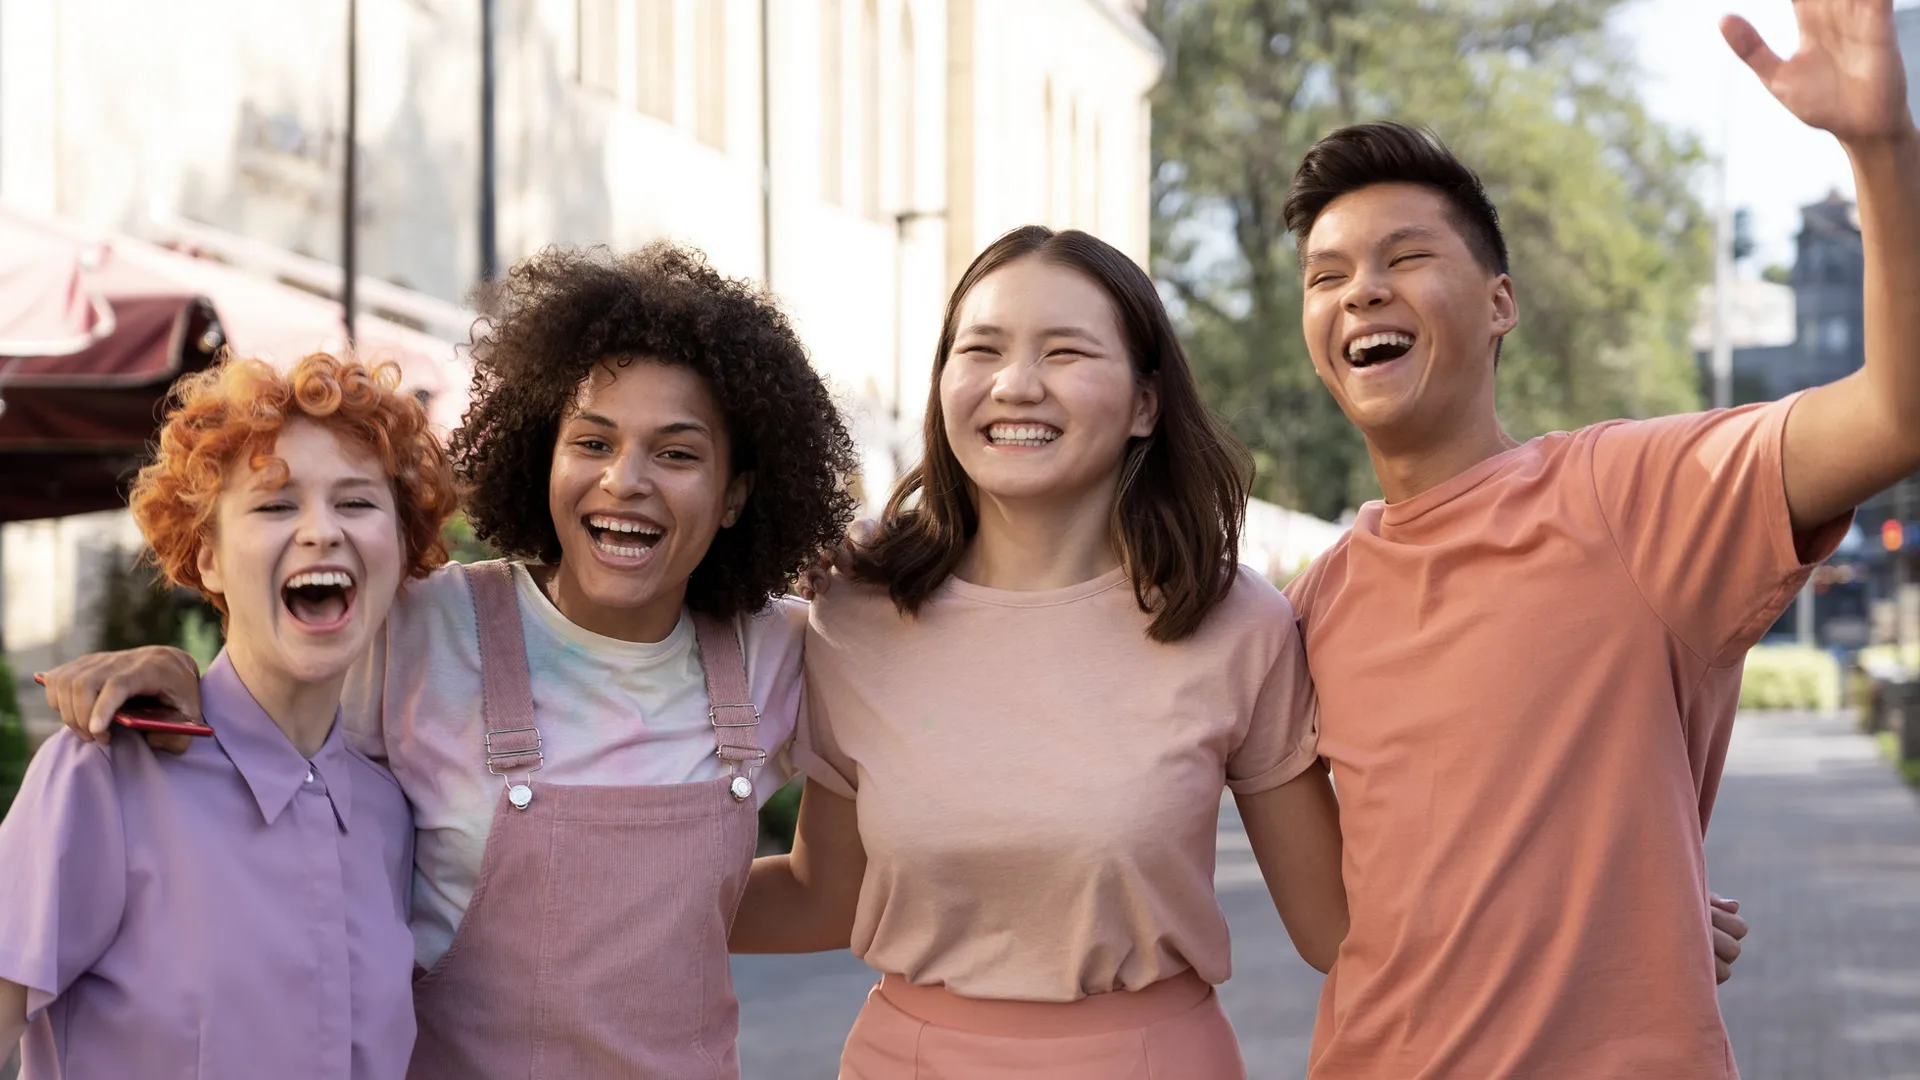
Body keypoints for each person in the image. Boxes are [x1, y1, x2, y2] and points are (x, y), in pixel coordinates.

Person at [33, 243, 859, 1078]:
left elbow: (828, 896)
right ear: (543, 457)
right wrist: (175, 670)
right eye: (592, 442)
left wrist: (883, 593)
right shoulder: (422, 626)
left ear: (739, 493)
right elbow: (274, 671)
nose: (626, 481)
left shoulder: (787, 653)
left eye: (677, 453)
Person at [1274, 2, 1915, 1075]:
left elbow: (1897, 411)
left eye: (1402, 257)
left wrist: (1880, 148)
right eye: (1326, 275)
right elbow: (1352, 923)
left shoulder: (1632, 495)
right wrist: (1627, 900)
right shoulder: (1316, 600)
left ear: (1500, 305)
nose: (1360, 291)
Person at [730, 225, 1350, 1078]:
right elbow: (821, 898)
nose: (1015, 386)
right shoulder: (857, 613)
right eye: (980, 349)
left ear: (1146, 402)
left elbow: (1338, 930)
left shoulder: (1236, 619)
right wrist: (567, 897)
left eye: (1065, 353)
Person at [0, 353, 459, 1078]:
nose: (321, 532)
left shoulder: (392, 813)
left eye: (357, 503)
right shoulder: (100, 775)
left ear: (401, 552)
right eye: (275, 505)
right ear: (207, 557)